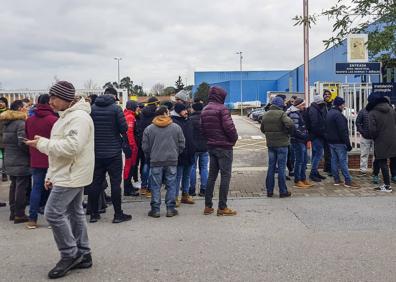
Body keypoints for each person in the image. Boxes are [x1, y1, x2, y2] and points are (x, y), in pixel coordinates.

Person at [25, 81, 94, 279]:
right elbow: (63, 148)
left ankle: (70, 254)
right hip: (68, 172)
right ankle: (83, 252)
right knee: (74, 212)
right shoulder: (67, 116)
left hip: (72, 174)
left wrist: (42, 144)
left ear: (66, 99)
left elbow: (72, 147)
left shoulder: (78, 118)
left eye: (54, 98)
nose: (51, 102)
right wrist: (51, 174)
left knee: (53, 212)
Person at [89, 87, 132, 223]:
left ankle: (94, 214)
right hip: (113, 152)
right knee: (115, 184)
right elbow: (124, 128)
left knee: (95, 183)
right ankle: (118, 215)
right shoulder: (116, 109)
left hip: (96, 152)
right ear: (114, 96)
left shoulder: (92, 108)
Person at [201, 86, 238, 216]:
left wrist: (209, 140)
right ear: (220, 96)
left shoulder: (204, 109)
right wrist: (233, 140)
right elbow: (230, 128)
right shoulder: (222, 109)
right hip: (224, 147)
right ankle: (222, 207)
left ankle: (208, 206)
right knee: (225, 176)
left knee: (211, 176)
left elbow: (203, 129)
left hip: (212, 147)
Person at [142, 106, 185, 218]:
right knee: (171, 184)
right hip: (172, 160)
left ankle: (155, 210)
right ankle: (170, 209)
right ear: (166, 113)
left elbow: (145, 147)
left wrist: (150, 156)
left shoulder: (149, 129)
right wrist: (176, 153)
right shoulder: (176, 127)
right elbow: (182, 144)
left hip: (156, 160)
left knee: (155, 186)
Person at [25, 94, 58, 229]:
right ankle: (52, 220)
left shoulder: (29, 120)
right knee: (52, 189)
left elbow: (28, 138)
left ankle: (32, 219)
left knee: (36, 188)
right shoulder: (54, 120)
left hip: (36, 158)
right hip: (51, 159)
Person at [0, 100, 30, 223]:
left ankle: (13, 212)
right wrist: (30, 151)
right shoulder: (20, 123)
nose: (27, 109)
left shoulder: (7, 122)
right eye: (25, 107)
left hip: (9, 157)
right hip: (20, 158)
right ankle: (20, 213)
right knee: (21, 187)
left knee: (14, 185)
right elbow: (22, 142)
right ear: (19, 108)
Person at [261, 96, 294, 198]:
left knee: (271, 167)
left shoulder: (265, 114)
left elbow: (262, 129)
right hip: (282, 144)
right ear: (280, 105)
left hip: (271, 145)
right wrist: (287, 133)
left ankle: (269, 191)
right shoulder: (281, 114)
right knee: (281, 168)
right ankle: (283, 191)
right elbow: (290, 124)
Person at [325, 97, 359, 188]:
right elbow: (343, 131)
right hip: (339, 142)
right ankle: (348, 181)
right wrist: (348, 144)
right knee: (343, 161)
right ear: (340, 105)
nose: (344, 106)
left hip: (331, 141)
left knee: (334, 161)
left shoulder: (329, 113)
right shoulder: (338, 115)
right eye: (343, 104)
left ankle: (336, 180)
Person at [367, 93, 396, 192]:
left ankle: (387, 186)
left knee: (382, 162)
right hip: (393, 139)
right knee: (392, 160)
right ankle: (390, 181)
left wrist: (375, 138)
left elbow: (372, 130)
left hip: (380, 140)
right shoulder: (392, 110)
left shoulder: (372, 113)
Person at [171, 103, 195, 205]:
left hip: (190, 153)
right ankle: (175, 197)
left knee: (187, 176)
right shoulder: (173, 122)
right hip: (179, 154)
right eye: (184, 110)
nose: (186, 112)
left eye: (187, 110)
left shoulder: (188, 120)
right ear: (178, 111)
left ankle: (185, 195)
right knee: (177, 177)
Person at [286, 98, 313, 188]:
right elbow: (295, 129)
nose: (304, 106)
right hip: (297, 140)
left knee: (304, 160)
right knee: (299, 161)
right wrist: (305, 136)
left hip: (301, 140)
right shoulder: (293, 114)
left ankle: (303, 178)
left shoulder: (298, 112)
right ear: (298, 105)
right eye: (303, 105)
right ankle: (298, 180)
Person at [136, 97, 160, 197]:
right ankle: (150, 189)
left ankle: (143, 186)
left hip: (143, 140)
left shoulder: (142, 113)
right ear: (155, 104)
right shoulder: (156, 114)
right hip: (154, 141)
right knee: (153, 165)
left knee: (145, 163)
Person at [189, 101, 208, 197]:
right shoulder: (206, 119)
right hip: (205, 147)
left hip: (193, 148)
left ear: (194, 109)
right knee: (204, 168)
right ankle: (204, 189)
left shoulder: (190, 119)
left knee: (192, 168)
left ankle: (191, 190)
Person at [307, 95, 328, 182]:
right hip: (317, 136)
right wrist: (323, 134)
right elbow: (315, 125)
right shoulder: (314, 110)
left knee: (316, 154)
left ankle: (315, 172)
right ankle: (313, 173)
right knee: (318, 154)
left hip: (316, 135)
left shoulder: (315, 109)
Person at [356, 105, 379, 182]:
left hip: (375, 137)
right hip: (365, 137)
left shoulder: (377, 111)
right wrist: (362, 132)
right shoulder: (363, 111)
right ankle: (363, 170)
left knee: (376, 155)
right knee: (364, 154)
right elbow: (358, 122)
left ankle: (375, 170)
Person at [123, 100, 139, 197]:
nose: (138, 108)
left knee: (131, 167)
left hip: (129, 146)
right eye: (136, 106)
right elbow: (129, 133)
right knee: (129, 167)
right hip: (130, 147)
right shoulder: (130, 117)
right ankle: (127, 189)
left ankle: (129, 186)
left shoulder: (129, 115)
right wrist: (133, 146)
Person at [322, 90, 333, 175]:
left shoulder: (332, 105)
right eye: (325, 94)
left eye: (328, 94)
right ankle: (327, 167)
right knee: (327, 151)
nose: (327, 96)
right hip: (324, 130)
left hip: (331, 130)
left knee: (330, 151)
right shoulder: (322, 105)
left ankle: (328, 167)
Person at [0, 97, 8, 185]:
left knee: (5, 158)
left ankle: (4, 174)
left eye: (2, 102)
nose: (1, 103)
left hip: (4, 138)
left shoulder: (8, 113)